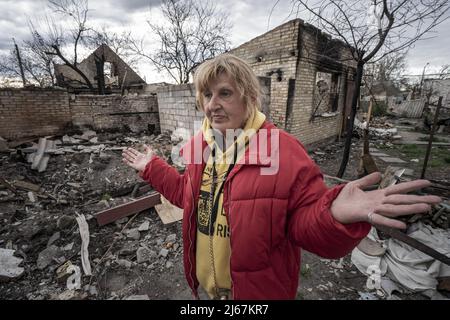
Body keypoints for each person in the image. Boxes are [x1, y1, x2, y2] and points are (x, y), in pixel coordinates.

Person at [122, 54, 441, 300]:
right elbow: (190, 198)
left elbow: (304, 226)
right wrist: (153, 168)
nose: (212, 105)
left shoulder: (283, 151)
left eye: (224, 93)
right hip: (208, 287)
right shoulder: (199, 147)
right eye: (206, 95)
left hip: (256, 293)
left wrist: (332, 216)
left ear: (248, 97)